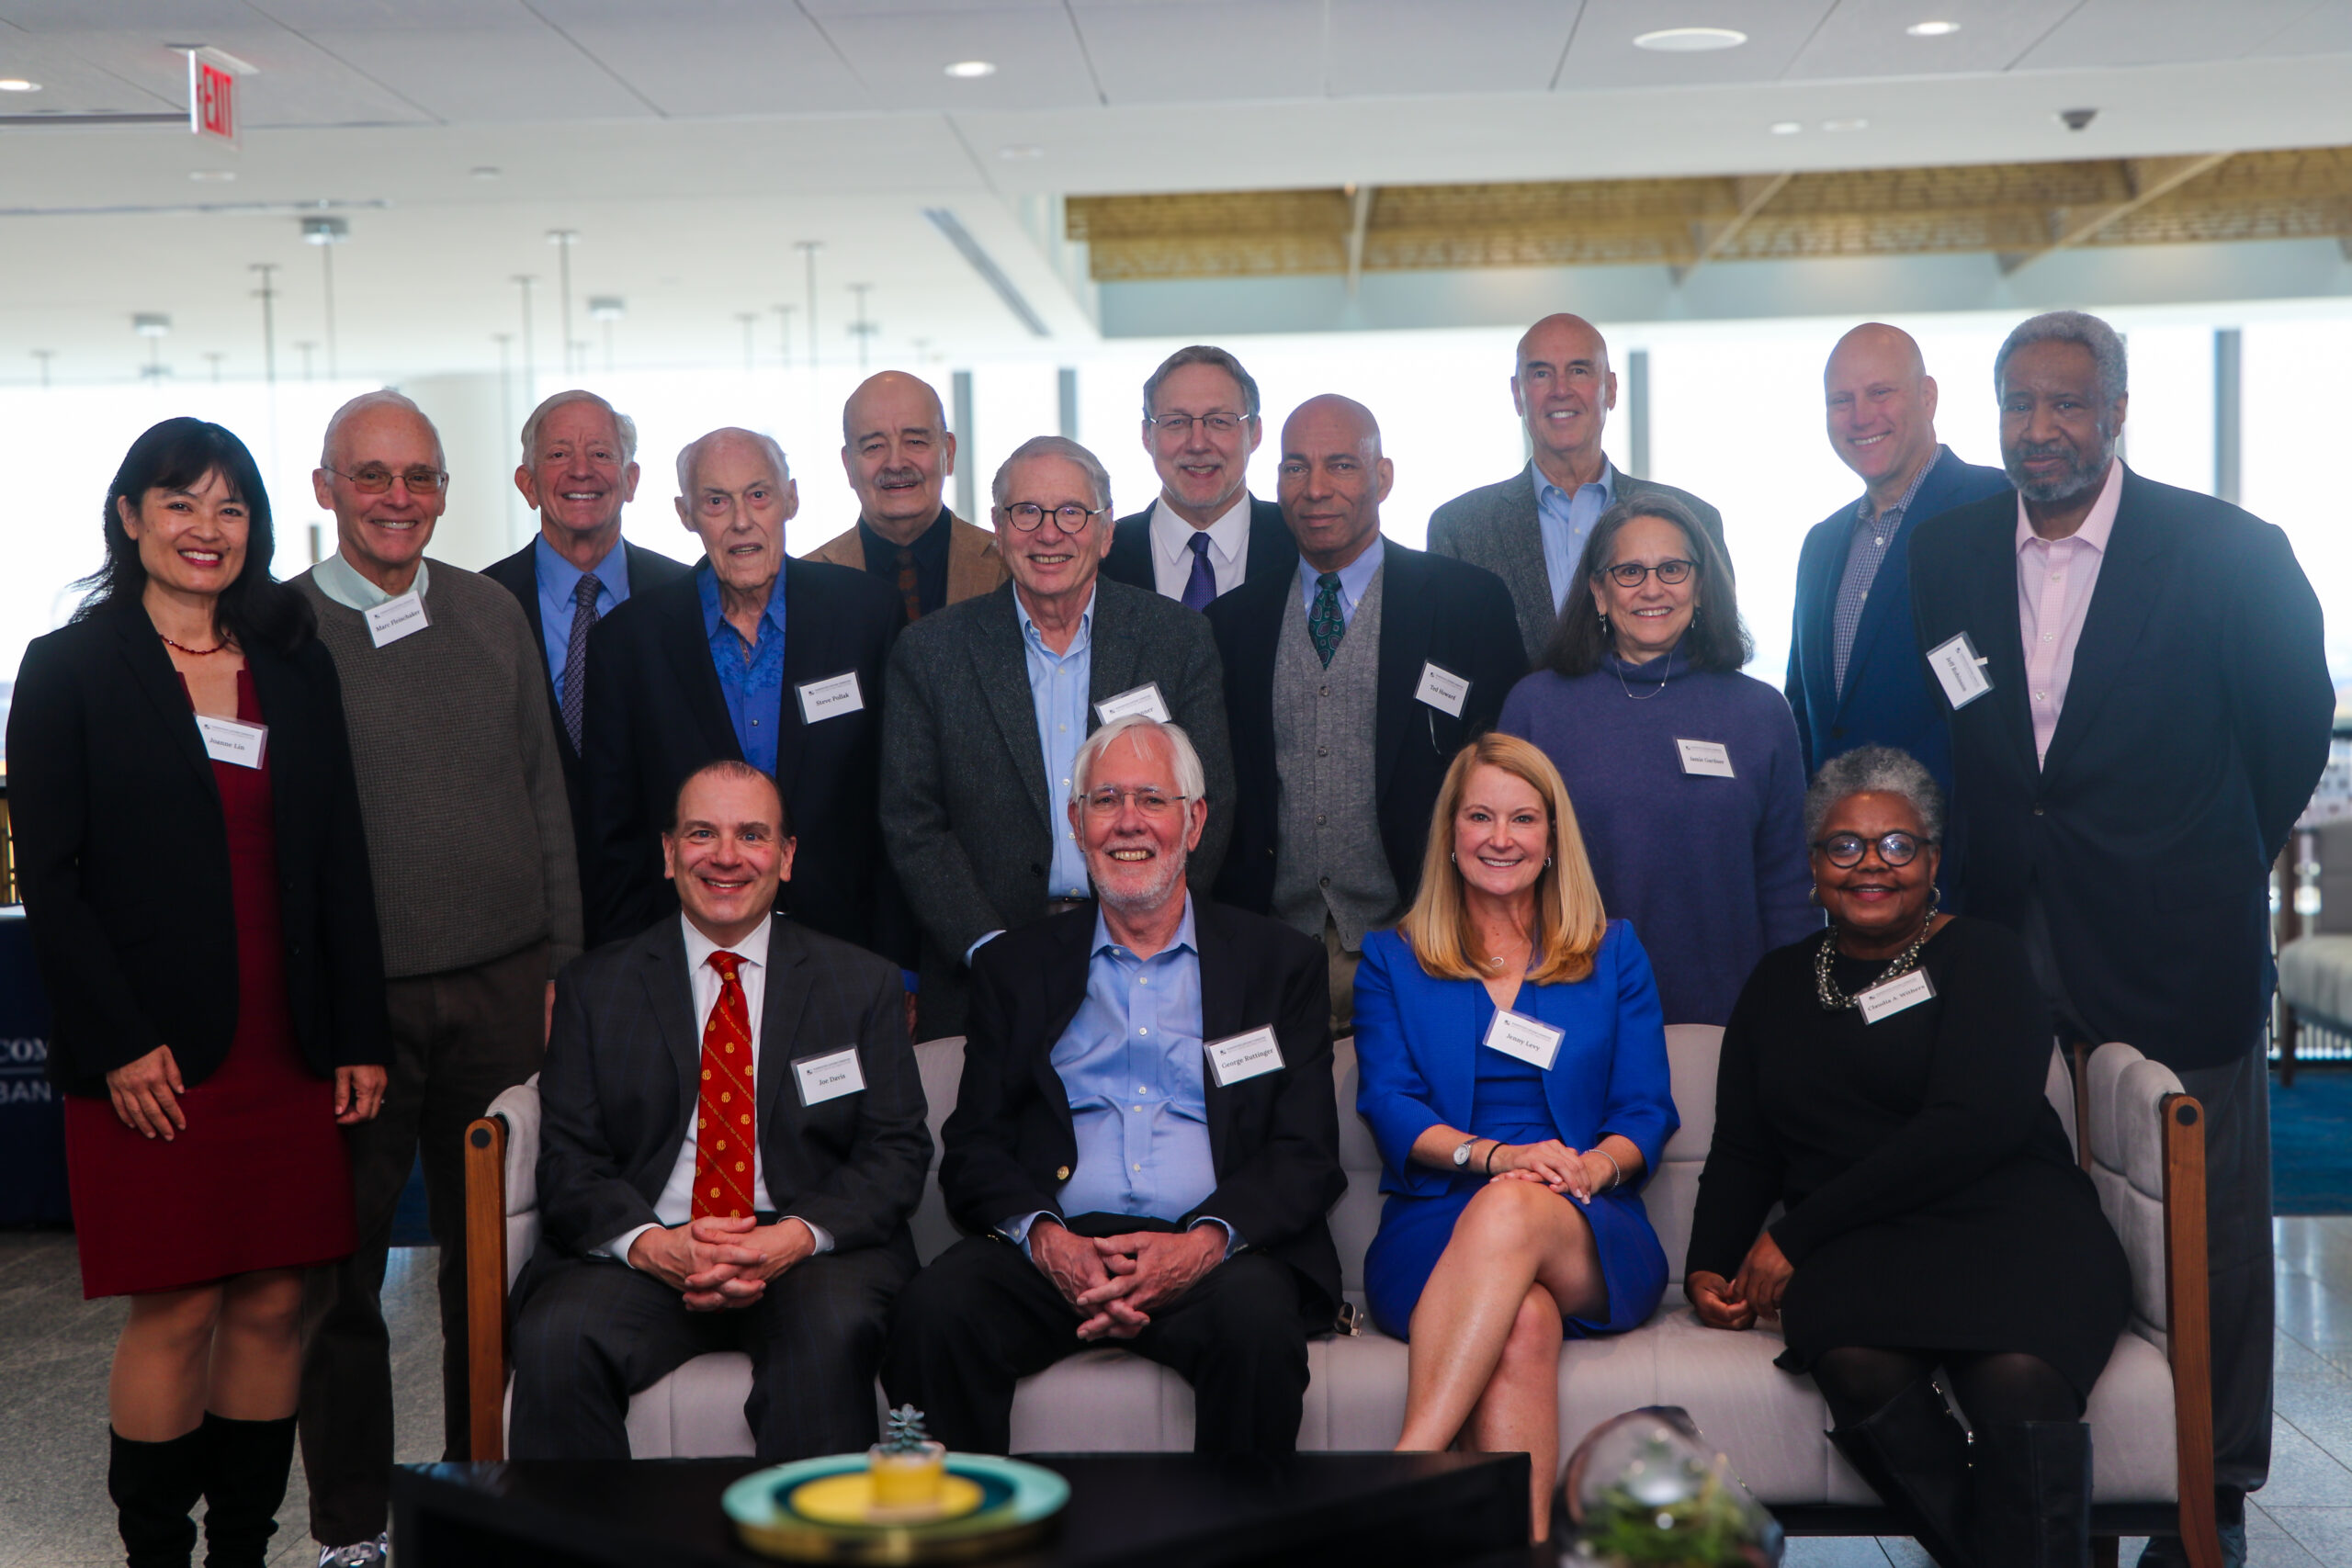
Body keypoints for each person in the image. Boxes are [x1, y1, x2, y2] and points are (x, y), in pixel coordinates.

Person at [1908, 310, 2333, 1567]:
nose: (2042, 429)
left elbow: (2288, 738)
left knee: (2203, 1233)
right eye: (2020, 404)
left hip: (2171, 940)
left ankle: (2212, 1485)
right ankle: (2076, 1478)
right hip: (2004, 942)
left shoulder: (2229, 550)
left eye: (2068, 403)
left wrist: (2190, 854)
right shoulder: (1946, 553)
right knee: (2047, 1220)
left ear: (2120, 408)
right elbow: (1973, 738)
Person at [8, 418, 389, 1568]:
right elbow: (54, 883)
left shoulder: (294, 659)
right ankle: (157, 1558)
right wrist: (118, 1042)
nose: (205, 530)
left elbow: (338, 856)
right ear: (131, 518)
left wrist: (358, 1031)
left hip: (289, 1037)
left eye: (230, 508)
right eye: (180, 504)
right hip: (151, 1054)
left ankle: (241, 1554)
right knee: (174, 1305)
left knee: (280, 1301)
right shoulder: (70, 666)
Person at [1686, 748, 2132, 1568]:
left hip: (2012, 1216)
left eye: (1897, 845)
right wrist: (1707, 1264)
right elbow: (1746, 1146)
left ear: (1932, 861)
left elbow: (1973, 1124)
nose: (1871, 867)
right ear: (1813, 865)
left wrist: (1796, 1235)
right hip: (1864, 1241)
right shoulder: (1776, 983)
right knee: (1851, 1358)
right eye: (1844, 846)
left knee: (2018, 1375)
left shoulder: (1986, 957)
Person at [291, 390, 582, 1567]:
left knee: (497, 1272)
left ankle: (486, 1500)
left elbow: (543, 795)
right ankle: (352, 1528)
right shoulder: (281, 627)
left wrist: (562, 960)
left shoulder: (491, 612)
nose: (397, 499)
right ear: (325, 488)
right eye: (372, 476)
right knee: (341, 1278)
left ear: (448, 491)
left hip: (507, 992)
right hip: (360, 1012)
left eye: (418, 477)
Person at [883, 716, 1341, 1454]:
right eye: (1105, 801)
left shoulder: (1276, 965)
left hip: (1212, 1254)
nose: (1128, 822)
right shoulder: (1016, 969)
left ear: (1193, 822)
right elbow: (973, 1148)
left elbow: (1306, 1153)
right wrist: (1049, 1241)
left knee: (1260, 1328)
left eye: (1151, 799)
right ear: (1076, 822)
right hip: (1056, 1253)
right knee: (933, 1313)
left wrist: (1199, 1244)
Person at [511, 761, 933, 1461]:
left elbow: (896, 1151)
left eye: (753, 835)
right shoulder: (596, 988)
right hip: (649, 1246)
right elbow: (568, 1161)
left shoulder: (862, 985)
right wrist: (653, 1245)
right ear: (669, 852)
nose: (727, 856)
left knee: (828, 1336)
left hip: (806, 1255)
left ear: (787, 857)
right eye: (702, 833)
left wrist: (793, 1237)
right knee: (558, 1335)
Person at [1352, 733, 1677, 1540]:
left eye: (1524, 818)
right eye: (1480, 817)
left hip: (1586, 1215)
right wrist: (1494, 1156)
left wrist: (1589, 1167)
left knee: (1512, 1212)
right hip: (1436, 1215)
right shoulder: (1392, 958)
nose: (1501, 837)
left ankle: (1406, 1469)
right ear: (1451, 836)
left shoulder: (1613, 950)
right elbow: (1388, 1102)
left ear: (1552, 836)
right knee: (1524, 1321)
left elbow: (1646, 1109)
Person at [880, 436, 1236, 1037]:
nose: (1049, 533)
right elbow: (912, 823)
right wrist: (989, 948)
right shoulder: (931, 651)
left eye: (1072, 512)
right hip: (981, 977)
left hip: (1151, 965)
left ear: (1105, 531)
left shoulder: (1176, 639)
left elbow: (1209, 802)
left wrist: (1147, 929)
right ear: (998, 527)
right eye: (1027, 512)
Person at [1205, 394, 1525, 1032]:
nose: (1316, 488)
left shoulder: (1467, 604)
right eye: (1295, 468)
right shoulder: (1232, 623)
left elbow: (1506, 776)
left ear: (1382, 477)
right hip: (1272, 955)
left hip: (1426, 946)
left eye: (1341, 466)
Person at [581, 427, 910, 965]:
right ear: (686, 514)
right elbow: (610, 836)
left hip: (849, 952)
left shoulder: (866, 617)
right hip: (683, 960)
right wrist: (623, 972)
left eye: (758, 494)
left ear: (791, 499)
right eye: (715, 501)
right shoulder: (628, 641)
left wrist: (902, 966)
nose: (740, 520)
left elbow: (899, 807)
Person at [1498, 494, 1815, 1027]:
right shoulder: (1537, 707)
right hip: (1570, 1008)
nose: (1652, 588)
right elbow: (1500, 875)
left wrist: (1791, 1011)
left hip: (1730, 1013)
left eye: (1672, 568)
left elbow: (1788, 885)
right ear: (1598, 592)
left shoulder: (1760, 712)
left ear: (1700, 584)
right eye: (1628, 572)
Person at [1428, 313, 1727, 664]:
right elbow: (1446, 672)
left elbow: (1719, 653)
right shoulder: (1460, 529)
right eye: (1541, 373)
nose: (1560, 390)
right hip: (1509, 721)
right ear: (1517, 395)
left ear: (1611, 389)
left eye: (1579, 371)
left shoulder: (1695, 518)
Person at [1783, 324, 2007, 792]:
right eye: (1841, 400)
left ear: (1928, 397)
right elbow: (1804, 713)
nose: (1860, 417)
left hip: (1961, 845)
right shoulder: (1820, 545)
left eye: (1880, 392)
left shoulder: (2002, 508)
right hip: (1839, 849)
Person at [482, 389, 692, 854]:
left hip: (660, 885)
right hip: (528, 882)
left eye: (600, 453)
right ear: (528, 483)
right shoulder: (482, 606)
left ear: (631, 479)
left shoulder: (688, 597)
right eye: (559, 454)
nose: (582, 470)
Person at [1101, 344, 1297, 606]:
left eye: (1218, 421)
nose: (1197, 443)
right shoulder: (1099, 556)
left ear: (1254, 432)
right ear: (1147, 436)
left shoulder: (1302, 543)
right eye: (1176, 422)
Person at [803, 369, 1008, 618]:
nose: (896, 463)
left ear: (949, 453)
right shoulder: (806, 582)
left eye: (915, 442)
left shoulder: (1008, 567)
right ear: (849, 465)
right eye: (874, 446)